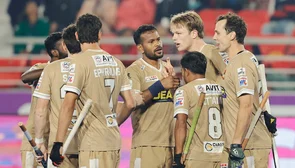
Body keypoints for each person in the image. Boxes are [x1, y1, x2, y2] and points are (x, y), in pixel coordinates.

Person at [49, 13, 135, 168]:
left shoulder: (79, 63)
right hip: (113, 141)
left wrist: (58, 143)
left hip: (93, 142)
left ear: (76, 35)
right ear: (100, 35)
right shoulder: (117, 63)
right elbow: (130, 103)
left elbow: (68, 104)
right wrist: (112, 124)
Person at [213, 12, 271, 167]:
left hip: (248, 145)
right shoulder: (237, 61)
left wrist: (236, 145)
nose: (214, 37)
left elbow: (245, 104)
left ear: (232, 35)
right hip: (237, 146)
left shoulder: (241, 63)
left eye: (218, 33)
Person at [125, 24, 180, 168]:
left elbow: (176, 104)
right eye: (151, 42)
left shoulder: (168, 68)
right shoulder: (134, 70)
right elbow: (134, 101)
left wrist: (175, 86)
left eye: (158, 40)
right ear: (140, 48)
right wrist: (160, 85)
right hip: (146, 144)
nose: (157, 44)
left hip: (171, 144)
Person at [33, 24, 81, 168]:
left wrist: (39, 141)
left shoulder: (51, 69)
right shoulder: (89, 66)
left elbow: (40, 110)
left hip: (59, 144)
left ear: (65, 46)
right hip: (89, 141)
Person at [20, 32, 68, 168]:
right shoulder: (41, 67)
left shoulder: (71, 69)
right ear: (54, 52)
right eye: (63, 45)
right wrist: (52, 69)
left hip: (56, 136)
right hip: (34, 136)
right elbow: (25, 78)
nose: (67, 47)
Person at [173, 51, 224, 168]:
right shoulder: (220, 88)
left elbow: (181, 123)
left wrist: (178, 156)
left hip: (197, 156)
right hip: (221, 154)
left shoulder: (184, 91)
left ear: (186, 70)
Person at [169, 11, 226, 82]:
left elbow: (230, 79)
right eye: (173, 34)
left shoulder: (212, 52)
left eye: (178, 33)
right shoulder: (187, 60)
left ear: (194, 34)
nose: (174, 38)